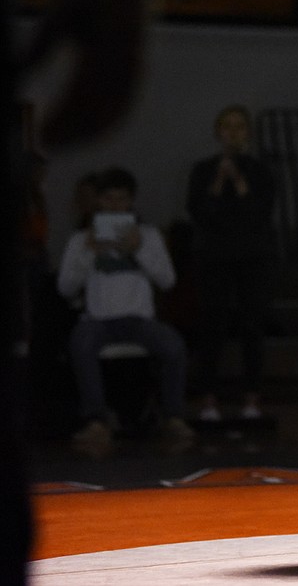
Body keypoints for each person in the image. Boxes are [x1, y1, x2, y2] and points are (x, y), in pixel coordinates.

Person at [55, 166, 194, 453]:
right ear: (98, 201)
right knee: (80, 343)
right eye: (108, 199)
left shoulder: (148, 235)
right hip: (99, 319)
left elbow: (168, 281)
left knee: (174, 346)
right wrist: (88, 253)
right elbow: (65, 288)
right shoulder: (81, 239)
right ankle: (96, 420)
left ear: (131, 201)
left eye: (121, 199)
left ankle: (174, 417)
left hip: (139, 319)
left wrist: (139, 249)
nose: (115, 206)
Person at [186, 104, 276, 422]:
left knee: (252, 326)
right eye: (227, 126)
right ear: (217, 132)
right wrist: (217, 182)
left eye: (240, 126)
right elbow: (199, 213)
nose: (233, 133)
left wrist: (237, 182)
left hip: (251, 258)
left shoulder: (260, 170)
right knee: (212, 326)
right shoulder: (203, 170)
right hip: (214, 258)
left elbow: (260, 213)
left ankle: (252, 397)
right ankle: (209, 398)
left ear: (248, 133)